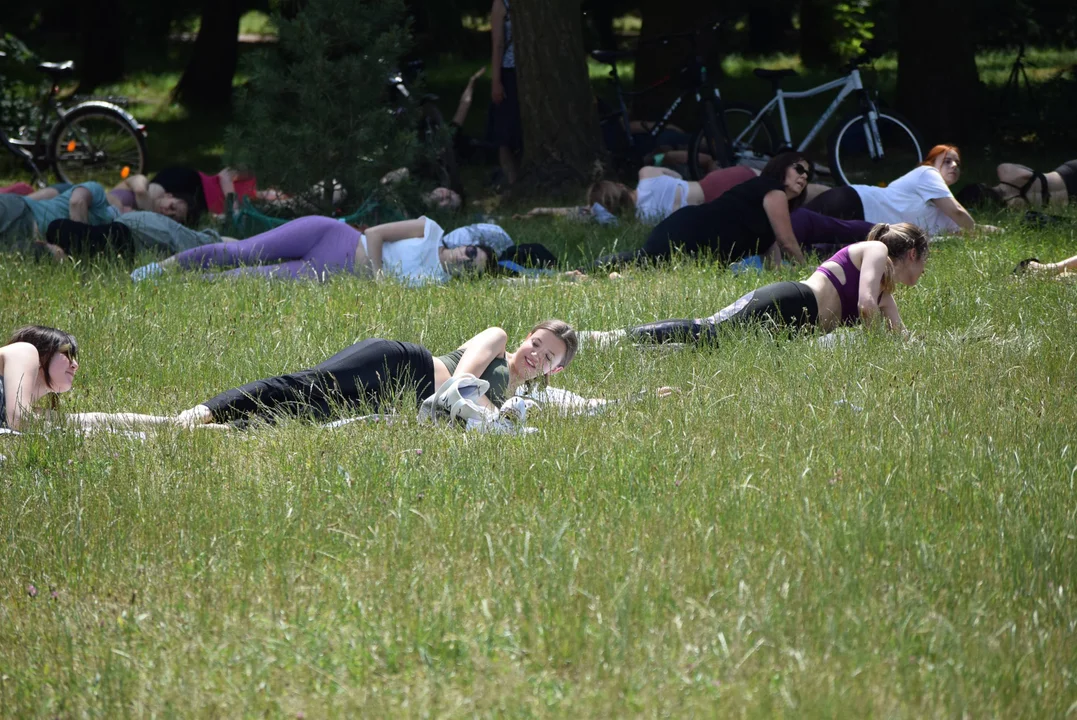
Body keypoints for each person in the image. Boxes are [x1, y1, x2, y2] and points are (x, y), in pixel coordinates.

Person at [170, 320, 578, 427]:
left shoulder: (520, 401)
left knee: (302, 413)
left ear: (555, 370)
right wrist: (492, 414)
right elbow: (460, 388)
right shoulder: (497, 338)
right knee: (310, 384)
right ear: (525, 338)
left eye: (548, 356)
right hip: (402, 365)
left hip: (392, 404)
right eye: (536, 344)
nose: (535, 355)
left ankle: (212, 430)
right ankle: (200, 412)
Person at [580, 222, 928, 346]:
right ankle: (607, 338)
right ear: (911, 253)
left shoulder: (887, 295)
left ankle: (630, 345)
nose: (924, 272)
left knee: (707, 345)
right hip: (791, 302)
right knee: (708, 331)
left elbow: (901, 337)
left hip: (792, 328)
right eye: (925, 262)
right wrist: (872, 346)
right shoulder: (876, 249)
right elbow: (864, 305)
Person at [576, 153, 816, 271]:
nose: (804, 175)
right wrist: (810, 273)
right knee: (645, 260)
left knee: (648, 265)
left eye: (808, 173)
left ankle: (589, 271)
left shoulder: (767, 213)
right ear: (780, 167)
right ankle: (586, 270)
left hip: (693, 233)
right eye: (798, 169)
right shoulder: (773, 192)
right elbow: (787, 243)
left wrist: (790, 276)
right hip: (690, 231)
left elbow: (774, 262)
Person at [130, 215, 500, 285]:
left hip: (326, 273)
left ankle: (177, 285)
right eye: (471, 255)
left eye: (472, 269)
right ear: (465, 244)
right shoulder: (431, 230)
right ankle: (162, 268)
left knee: (242, 280)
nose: (464, 262)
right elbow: (375, 233)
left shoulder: (434, 284)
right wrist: (378, 274)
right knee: (243, 251)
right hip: (330, 236)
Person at [805, 145, 999, 235]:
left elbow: (960, 230)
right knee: (797, 226)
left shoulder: (943, 211)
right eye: (947, 161)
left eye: (957, 163)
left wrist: (994, 232)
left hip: (862, 224)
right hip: (855, 202)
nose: (954, 165)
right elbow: (959, 214)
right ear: (931, 163)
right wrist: (977, 231)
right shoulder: (927, 173)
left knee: (804, 237)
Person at [0, 181, 119, 253]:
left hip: (22, 229)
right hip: (23, 214)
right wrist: (80, 244)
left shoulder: (104, 231)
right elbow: (77, 202)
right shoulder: (96, 189)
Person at [0, 325, 79, 431]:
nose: (75, 365)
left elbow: (75, 420)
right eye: (67, 354)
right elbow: (18, 419)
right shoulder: (24, 350)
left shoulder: (19, 409)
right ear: (43, 353)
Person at [957, 159, 1077, 209]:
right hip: (1068, 174)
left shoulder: (1012, 207)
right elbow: (1026, 171)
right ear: (983, 185)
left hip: (1071, 195)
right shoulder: (1005, 171)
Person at [489, 0, 521, 186]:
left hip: (520, 72)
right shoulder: (502, 3)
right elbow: (498, 44)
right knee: (505, 133)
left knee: (510, 131)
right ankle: (512, 180)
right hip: (510, 72)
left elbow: (498, 45)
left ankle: (514, 180)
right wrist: (496, 81)